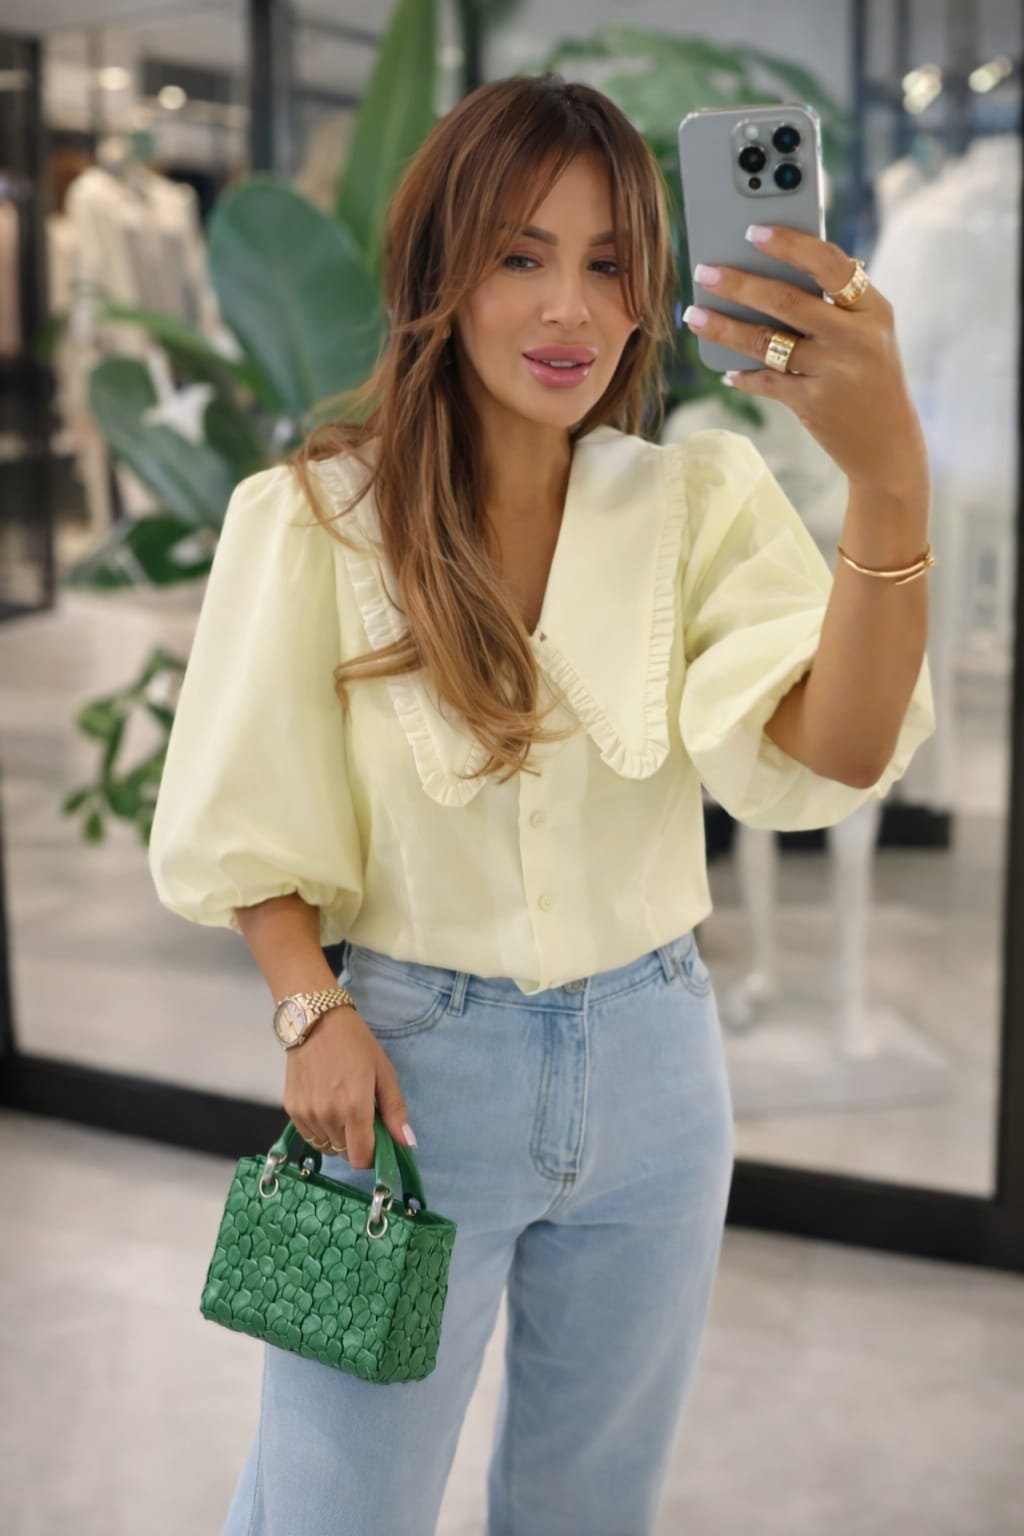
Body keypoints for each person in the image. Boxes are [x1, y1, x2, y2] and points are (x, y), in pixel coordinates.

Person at [147, 72, 935, 1536]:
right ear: (441, 270)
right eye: (521, 256)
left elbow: (839, 746)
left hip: (656, 1069)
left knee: (591, 1508)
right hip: (411, 1078)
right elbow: (247, 807)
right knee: (332, 1509)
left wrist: (889, 482)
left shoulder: (697, 503)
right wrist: (309, 1007)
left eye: (609, 264)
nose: (570, 308)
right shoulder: (318, 517)